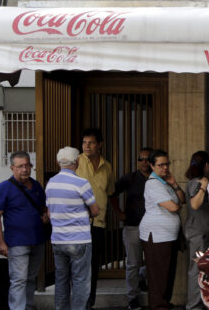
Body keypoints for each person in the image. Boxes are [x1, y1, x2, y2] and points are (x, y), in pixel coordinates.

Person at [0, 151, 48, 310]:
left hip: (38, 240)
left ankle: (27, 307)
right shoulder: (3, 188)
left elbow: (43, 207)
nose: (24, 169)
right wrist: (0, 242)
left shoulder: (36, 185)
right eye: (20, 166)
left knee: (31, 279)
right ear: (12, 168)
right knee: (18, 280)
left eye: (27, 165)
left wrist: (46, 215)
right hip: (17, 243)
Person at [46, 147, 100, 310]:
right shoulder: (81, 183)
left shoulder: (51, 183)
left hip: (58, 240)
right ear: (77, 161)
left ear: (58, 162)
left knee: (61, 280)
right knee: (80, 281)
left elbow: (49, 212)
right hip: (79, 240)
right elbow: (95, 210)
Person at [139, 150, 185, 310]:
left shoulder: (164, 182)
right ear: (152, 165)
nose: (165, 167)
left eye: (167, 164)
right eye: (160, 165)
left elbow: (182, 199)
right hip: (157, 235)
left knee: (167, 274)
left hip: (168, 235)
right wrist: (177, 206)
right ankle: (159, 306)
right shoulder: (152, 183)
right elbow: (174, 207)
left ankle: (164, 304)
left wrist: (174, 184)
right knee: (159, 275)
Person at [76, 128, 115, 309]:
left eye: (91, 142)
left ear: (100, 145)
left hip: (98, 223)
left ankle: (88, 304)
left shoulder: (107, 166)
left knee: (92, 266)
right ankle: (77, 303)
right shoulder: (76, 162)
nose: (87, 146)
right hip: (77, 222)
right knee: (77, 266)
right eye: (84, 142)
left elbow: (110, 193)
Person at [109, 146, 153, 310]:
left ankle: (142, 278)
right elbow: (112, 193)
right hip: (133, 226)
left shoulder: (157, 178)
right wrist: (119, 212)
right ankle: (132, 298)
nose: (143, 162)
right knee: (133, 263)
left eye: (147, 159)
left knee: (152, 262)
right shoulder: (130, 178)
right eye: (140, 159)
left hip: (153, 227)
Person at [184, 151, 209, 310]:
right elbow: (195, 204)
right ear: (206, 165)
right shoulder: (197, 182)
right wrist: (204, 186)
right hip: (198, 232)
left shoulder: (194, 181)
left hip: (200, 230)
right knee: (196, 269)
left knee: (200, 268)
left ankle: (200, 302)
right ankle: (193, 305)